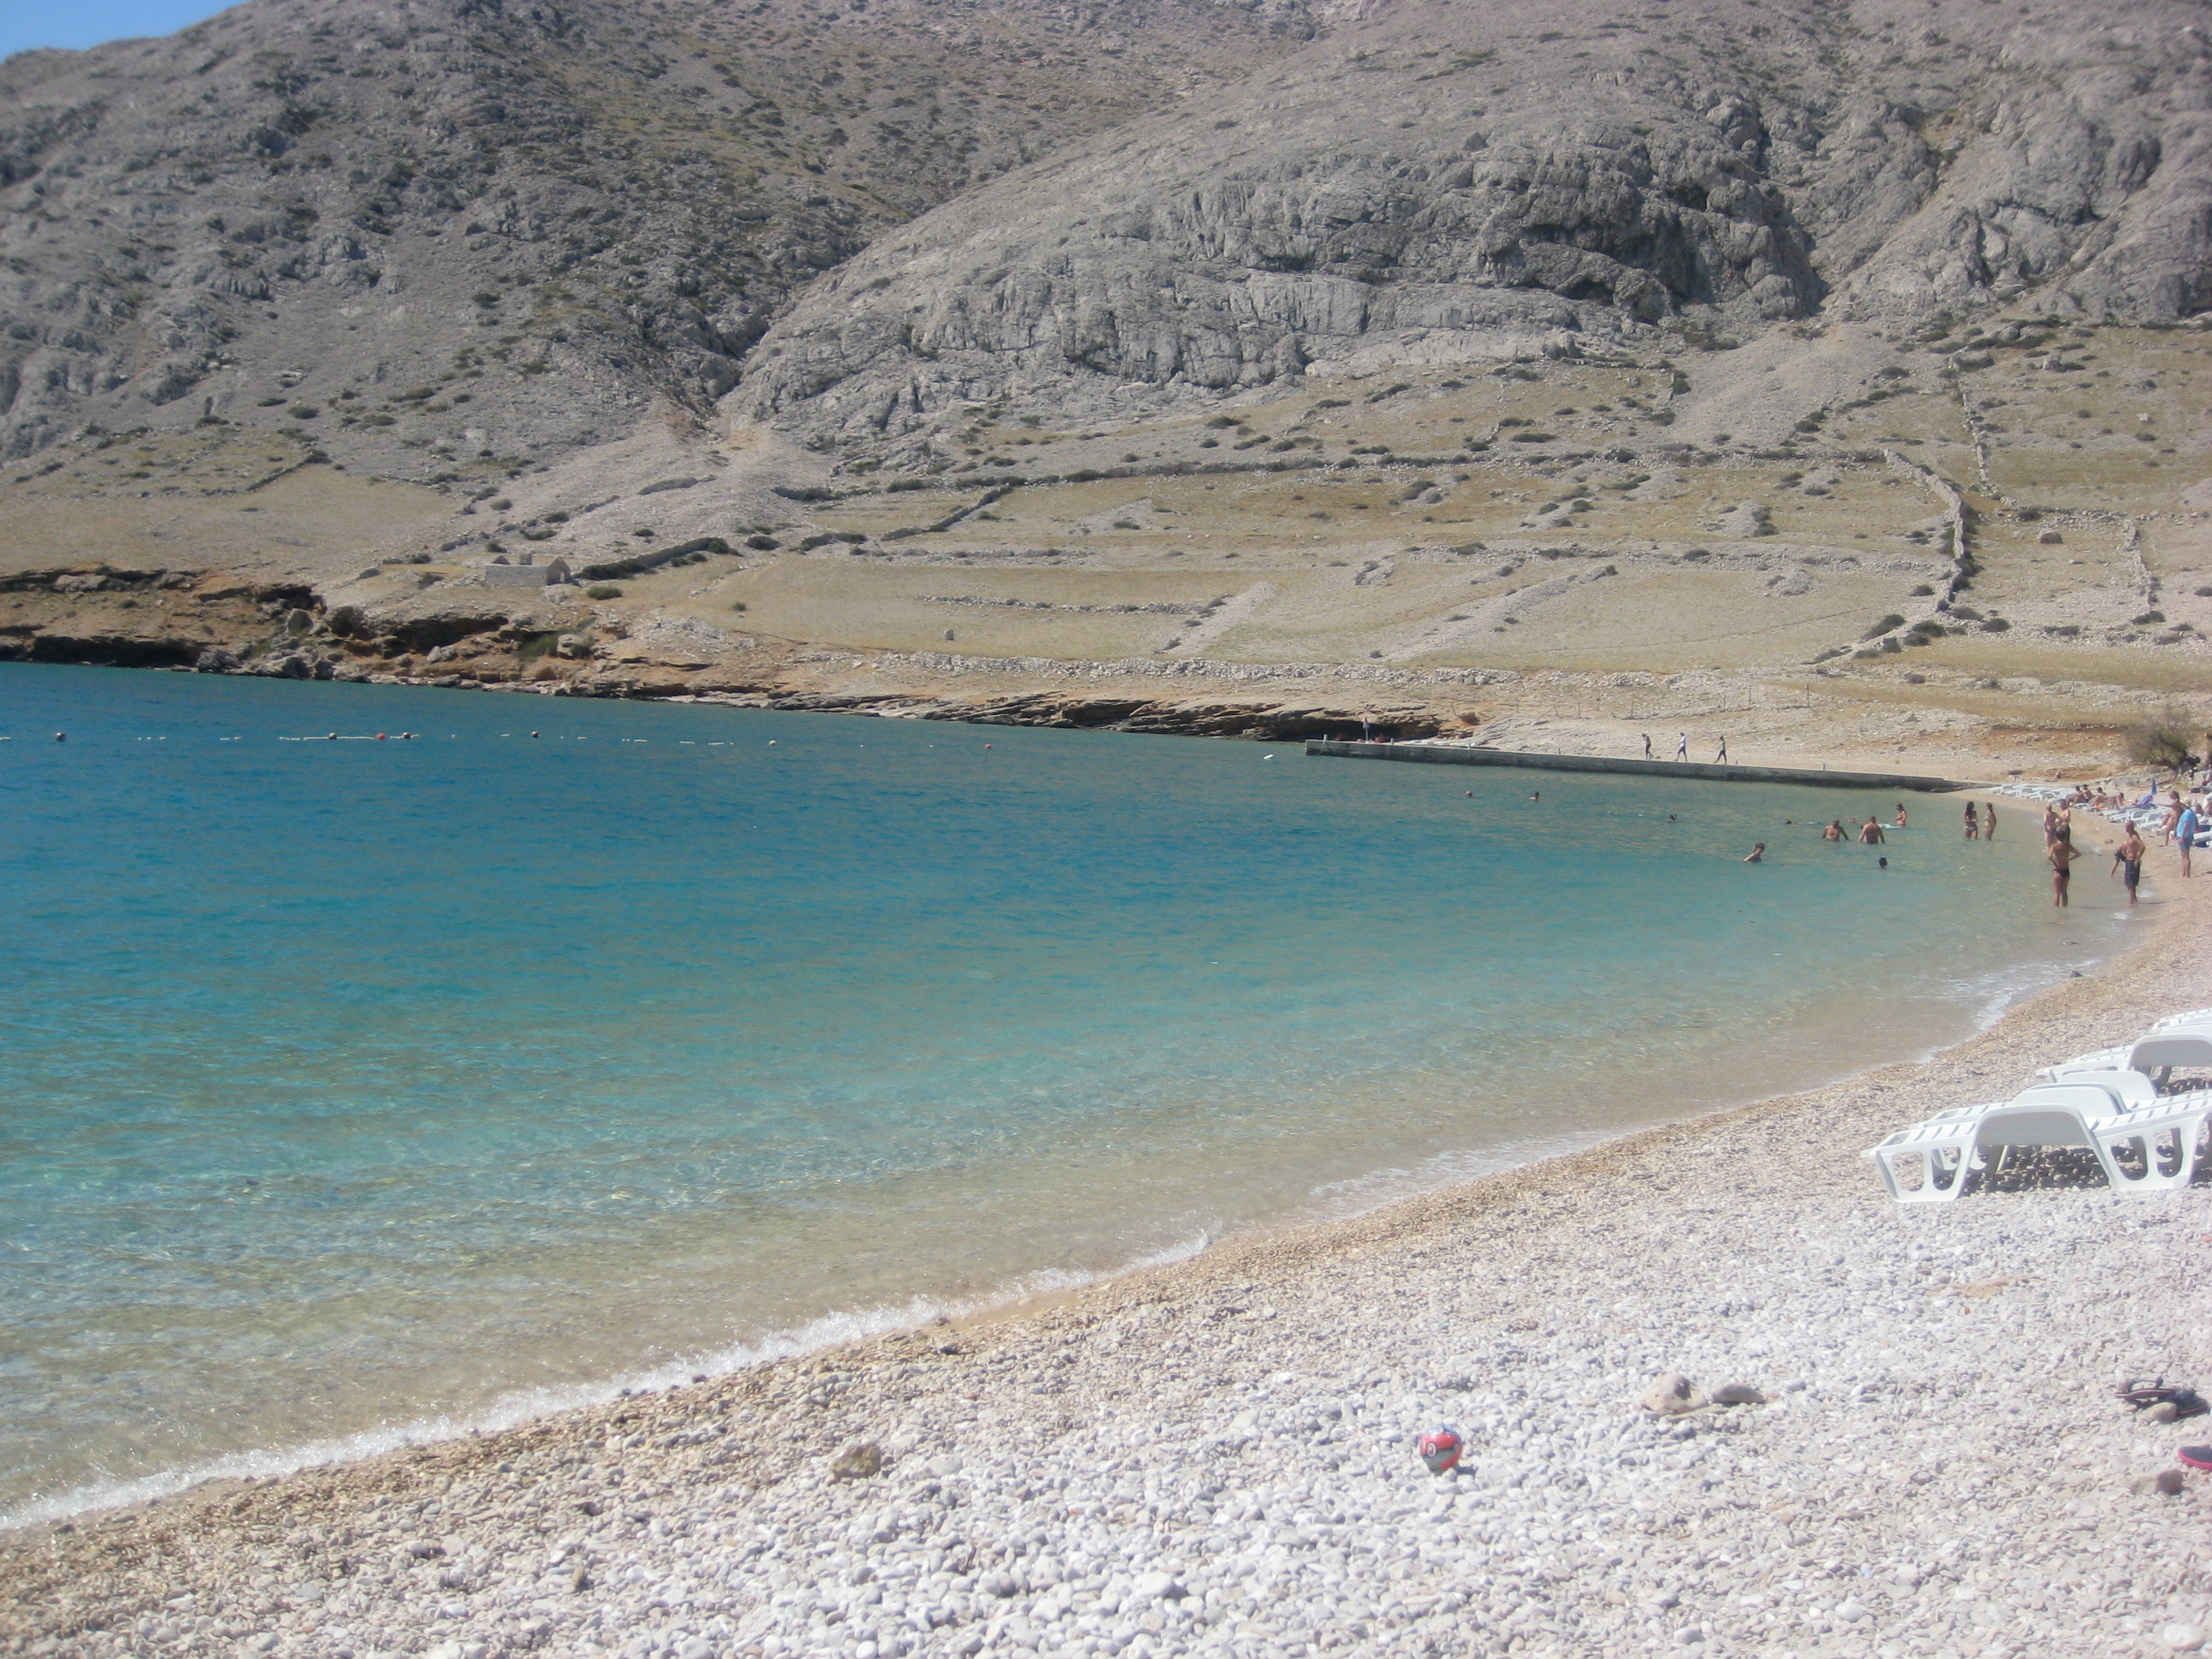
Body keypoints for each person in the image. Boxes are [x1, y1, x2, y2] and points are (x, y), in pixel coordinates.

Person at [2113, 824, 2145, 905]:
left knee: (2130, 882)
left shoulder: (2134, 836)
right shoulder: (2130, 836)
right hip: (2129, 860)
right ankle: (2134, 899)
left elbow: (2143, 847)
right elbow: (2126, 848)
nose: (2125, 828)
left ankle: (2132, 901)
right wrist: (2125, 853)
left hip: (2133, 861)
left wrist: (2137, 860)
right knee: (2128, 881)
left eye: (2127, 826)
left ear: (2131, 827)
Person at [2050, 835, 2080, 906]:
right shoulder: (2067, 846)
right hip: (2066, 870)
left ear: (2056, 837)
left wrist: (2055, 863)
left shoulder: (2054, 846)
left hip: (2058, 870)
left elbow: (2049, 856)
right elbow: (2078, 854)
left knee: (2057, 893)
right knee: (2064, 892)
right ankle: (2064, 909)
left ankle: (2056, 912)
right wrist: (2069, 859)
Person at [2180, 800, 2200, 879]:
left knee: (2185, 855)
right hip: (2188, 835)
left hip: (2186, 836)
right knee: (2183, 855)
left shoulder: (2187, 813)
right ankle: (2184, 873)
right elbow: (2196, 825)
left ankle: (2187, 874)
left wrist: (2182, 836)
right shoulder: (2191, 813)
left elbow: (2186, 825)